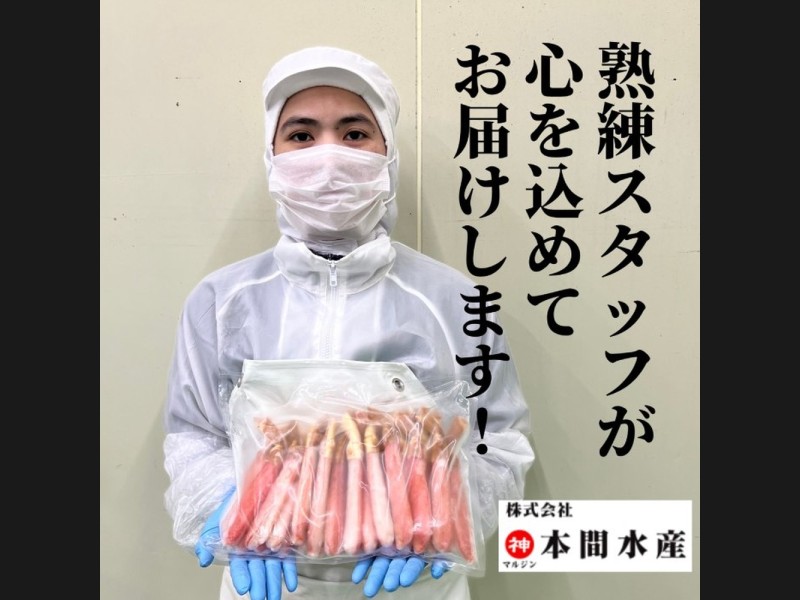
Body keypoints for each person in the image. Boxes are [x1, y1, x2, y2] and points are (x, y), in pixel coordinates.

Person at [162, 46, 535, 600]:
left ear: (388, 152)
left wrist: (438, 512)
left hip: (413, 586)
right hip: (268, 579)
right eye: (301, 135)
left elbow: (499, 442)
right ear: (272, 154)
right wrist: (228, 503)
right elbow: (194, 435)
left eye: (355, 133)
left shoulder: (455, 299)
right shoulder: (220, 301)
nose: (329, 156)